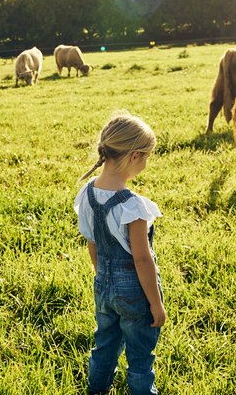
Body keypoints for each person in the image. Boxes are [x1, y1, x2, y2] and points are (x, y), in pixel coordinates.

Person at [74, 112, 166, 395]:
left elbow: (92, 243)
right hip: (134, 292)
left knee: (105, 342)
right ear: (135, 156)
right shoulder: (133, 207)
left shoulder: (87, 193)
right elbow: (142, 259)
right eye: (147, 156)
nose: (146, 163)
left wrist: (102, 276)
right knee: (139, 355)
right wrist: (156, 304)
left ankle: (97, 389)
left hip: (102, 284)